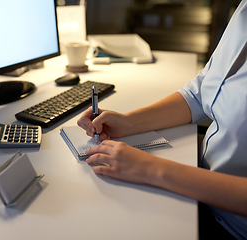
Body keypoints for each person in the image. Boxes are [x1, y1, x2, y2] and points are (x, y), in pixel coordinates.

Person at [77, 1, 247, 239]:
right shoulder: (243, 10)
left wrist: (151, 168)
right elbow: (200, 94)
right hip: (199, 192)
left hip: (233, 226)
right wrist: (129, 122)